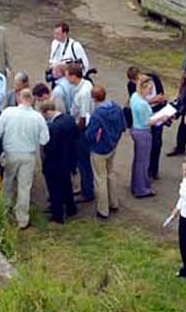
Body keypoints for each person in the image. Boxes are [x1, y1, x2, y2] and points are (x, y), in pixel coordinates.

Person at [0, 89, 48, 228]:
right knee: (24, 187)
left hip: (10, 153)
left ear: (19, 98)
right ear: (32, 100)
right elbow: (44, 140)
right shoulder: (37, 117)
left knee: (7, 184)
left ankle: (4, 214)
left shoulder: (8, 112)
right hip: (28, 155)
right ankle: (22, 219)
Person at [56, 61, 95, 204]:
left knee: (83, 162)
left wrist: (74, 132)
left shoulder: (84, 93)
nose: (66, 79)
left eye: (67, 76)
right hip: (81, 126)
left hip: (82, 131)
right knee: (83, 162)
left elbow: (84, 117)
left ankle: (88, 192)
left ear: (73, 76)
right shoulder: (85, 85)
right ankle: (86, 187)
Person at [85, 85, 126, 219]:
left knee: (100, 179)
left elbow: (90, 134)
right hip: (112, 146)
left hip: (99, 150)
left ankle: (103, 210)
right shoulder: (116, 108)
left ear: (93, 98)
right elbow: (123, 126)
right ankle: (114, 202)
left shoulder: (97, 114)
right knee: (110, 174)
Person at [41, 95, 81, 224]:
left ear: (47, 112)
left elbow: (51, 147)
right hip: (69, 159)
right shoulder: (69, 119)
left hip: (55, 162)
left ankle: (57, 214)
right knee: (66, 184)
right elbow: (75, 135)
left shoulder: (53, 128)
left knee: (54, 188)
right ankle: (71, 208)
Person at [128, 66, 169, 181]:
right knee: (144, 148)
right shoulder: (132, 87)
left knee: (157, 143)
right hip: (144, 115)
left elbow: (161, 96)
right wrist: (153, 100)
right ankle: (144, 173)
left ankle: (153, 170)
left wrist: (158, 101)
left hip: (157, 111)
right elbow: (136, 100)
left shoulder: (154, 78)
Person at [125, 69, 158, 197]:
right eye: (149, 89)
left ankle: (136, 185)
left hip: (136, 129)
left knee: (138, 161)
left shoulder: (134, 97)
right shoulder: (143, 104)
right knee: (143, 162)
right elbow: (148, 122)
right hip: (143, 132)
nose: (150, 91)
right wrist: (162, 117)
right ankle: (141, 189)